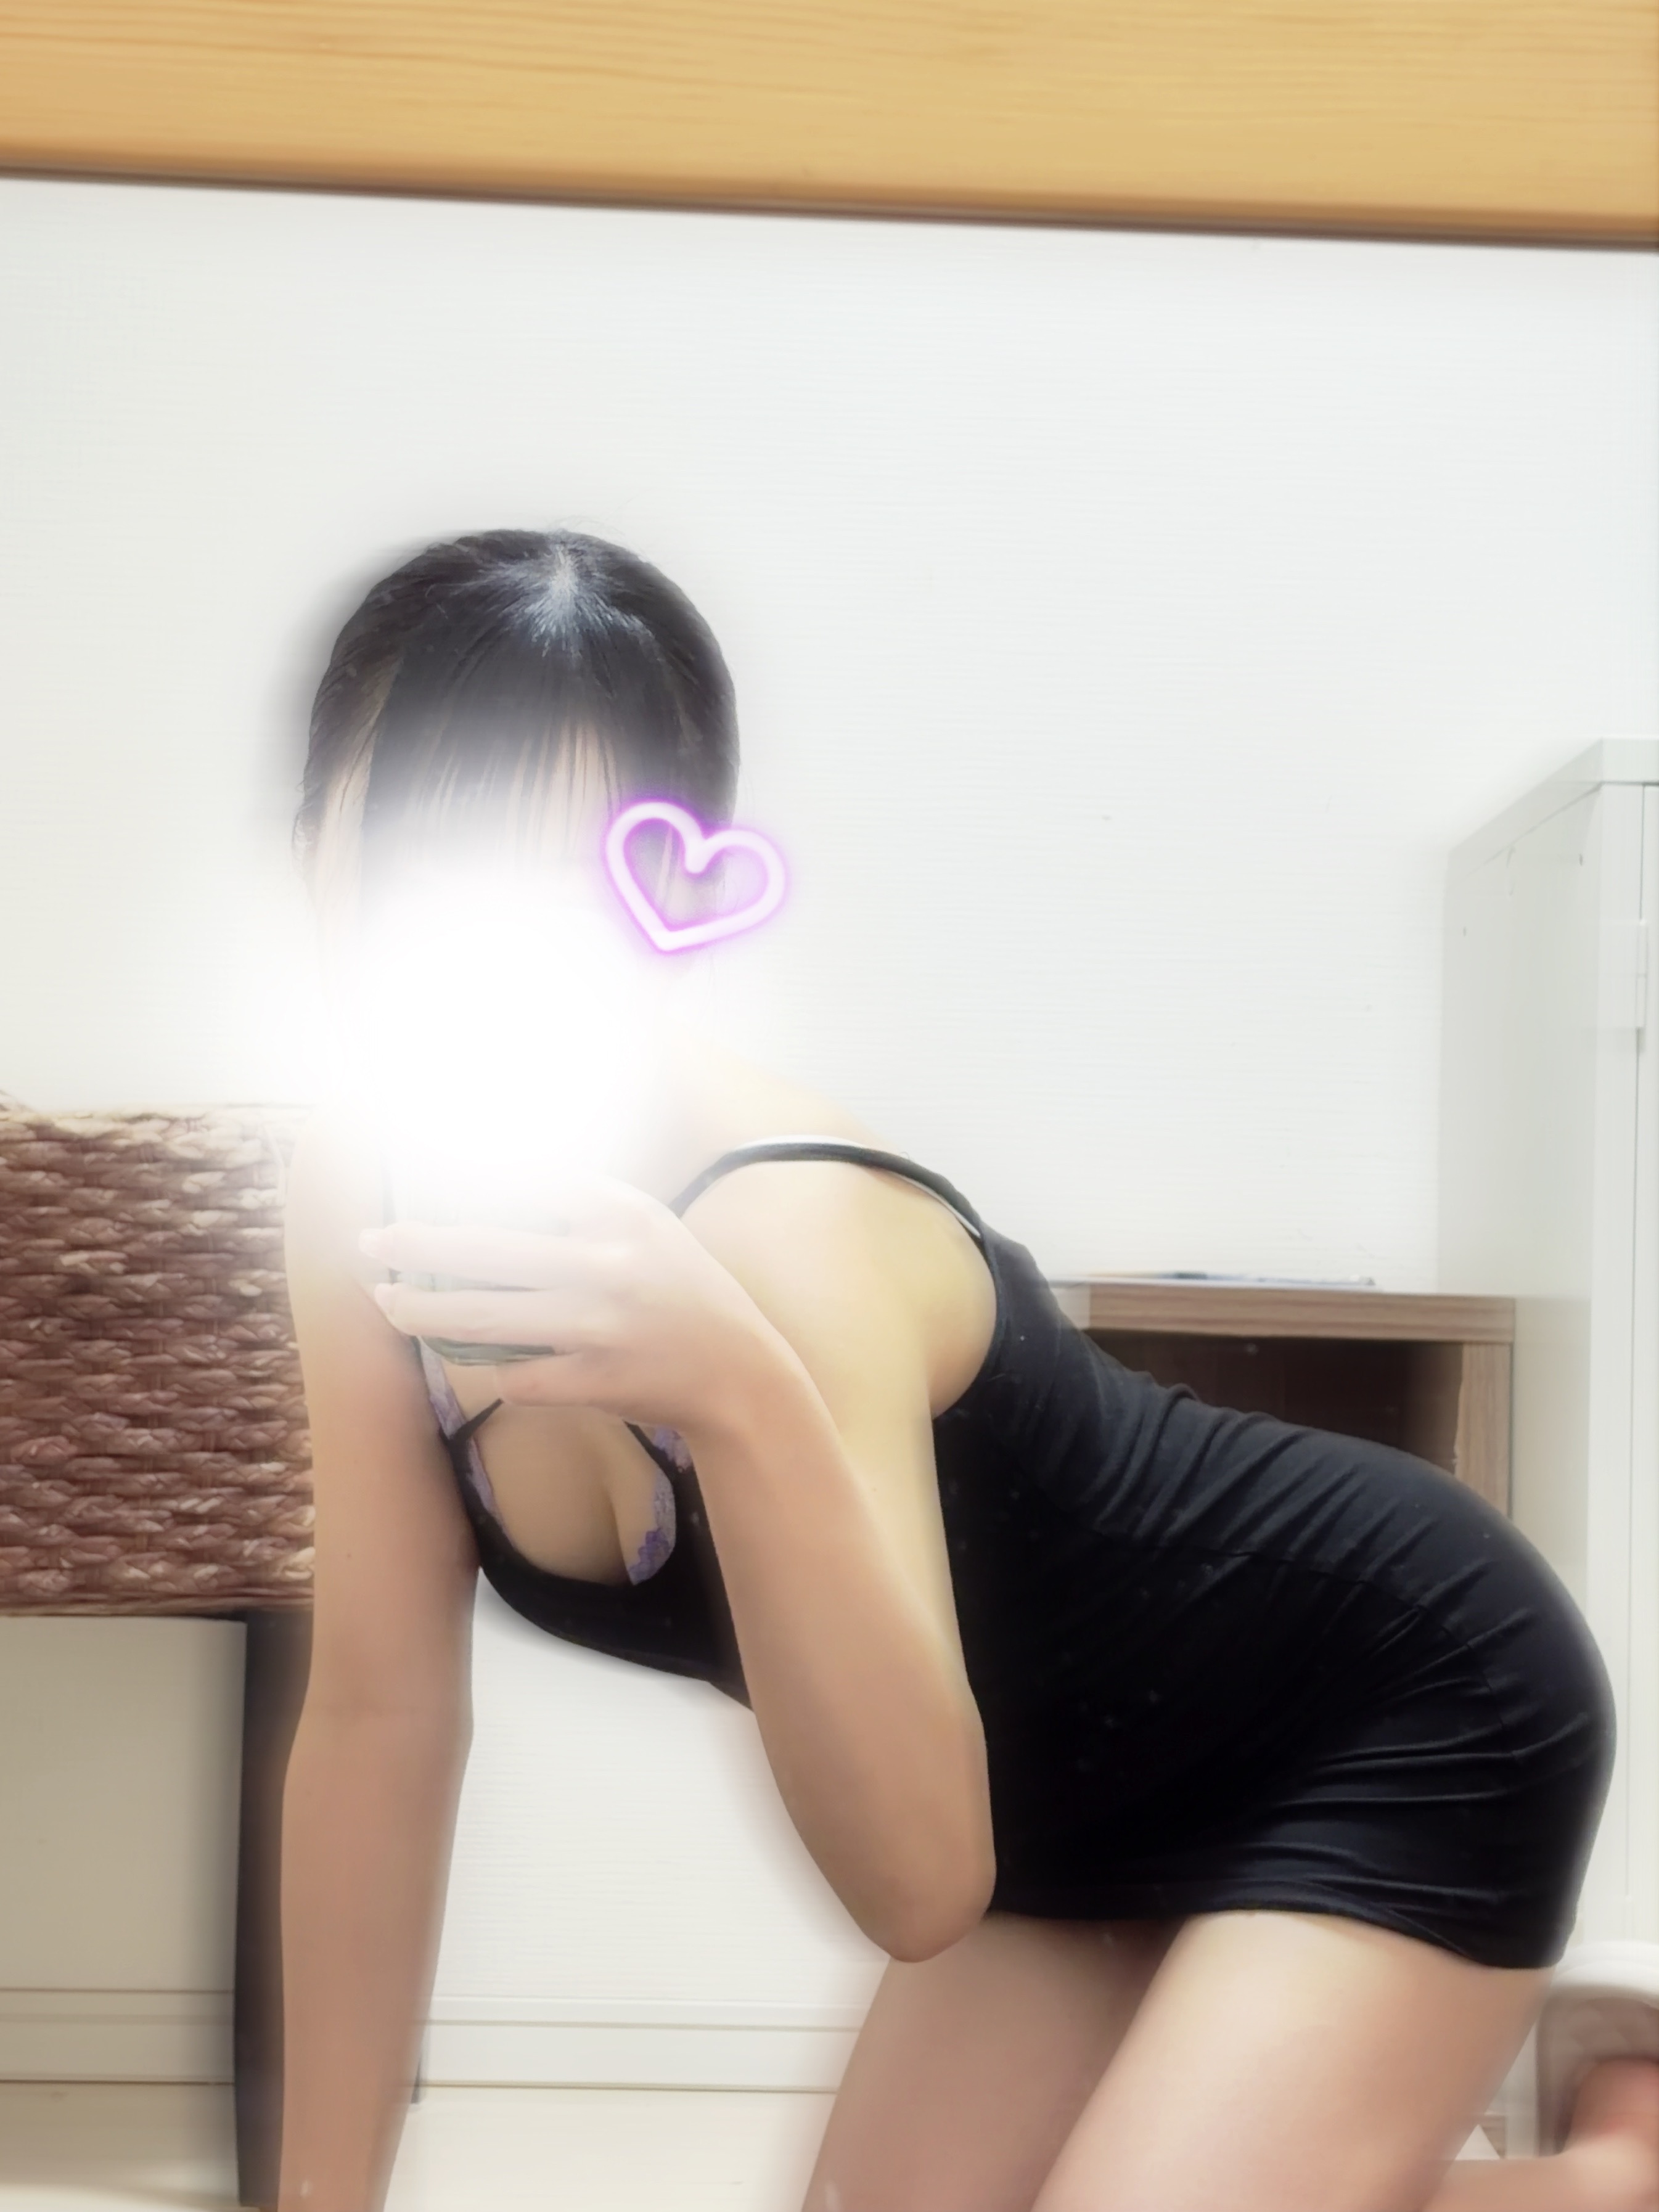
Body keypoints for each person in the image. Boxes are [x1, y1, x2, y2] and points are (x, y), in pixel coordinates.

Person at [278, 527, 1658, 2212]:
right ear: (312, 844)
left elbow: (916, 1885)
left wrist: (737, 1393)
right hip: (1057, 1804)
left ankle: (1619, 2163)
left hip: (1380, 1698)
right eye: (419, 859)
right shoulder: (355, 1188)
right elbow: (378, 1718)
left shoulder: (780, 1236)